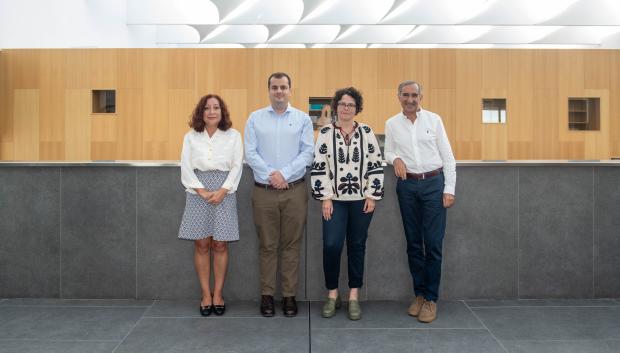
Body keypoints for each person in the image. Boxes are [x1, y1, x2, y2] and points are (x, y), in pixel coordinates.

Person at [384, 81, 456, 323]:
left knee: (433, 244)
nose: (410, 99)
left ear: (421, 96)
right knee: (414, 244)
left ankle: (431, 299)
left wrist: (449, 189)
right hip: (407, 186)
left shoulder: (434, 120)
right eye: (406, 95)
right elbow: (388, 151)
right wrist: (395, 159)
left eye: (414, 95)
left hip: (434, 185)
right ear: (398, 97)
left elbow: (448, 157)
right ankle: (419, 294)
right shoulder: (392, 123)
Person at [244, 72, 314, 317]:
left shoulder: (303, 119)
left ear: (290, 90)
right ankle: (266, 296)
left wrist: (283, 174)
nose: (279, 92)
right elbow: (250, 154)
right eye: (275, 87)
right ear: (269, 90)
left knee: (291, 245)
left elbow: (307, 153)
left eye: (283, 87)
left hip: (294, 191)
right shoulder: (255, 118)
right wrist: (272, 175)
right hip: (263, 192)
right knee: (267, 246)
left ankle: (289, 296)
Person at [311, 87, 384, 320]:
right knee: (331, 245)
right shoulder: (325, 133)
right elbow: (319, 164)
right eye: (342, 104)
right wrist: (325, 197)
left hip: (362, 200)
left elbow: (375, 163)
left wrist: (373, 195)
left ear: (357, 108)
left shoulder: (366, 131)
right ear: (336, 106)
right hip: (335, 201)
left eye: (351, 105)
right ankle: (332, 293)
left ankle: (353, 295)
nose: (346, 108)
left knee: (357, 245)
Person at [178, 94, 243, 317]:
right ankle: (205, 294)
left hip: (225, 190)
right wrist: (202, 191)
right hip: (198, 191)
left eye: (216, 107)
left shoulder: (234, 136)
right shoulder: (191, 137)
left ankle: (218, 294)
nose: (212, 111)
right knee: (202, 245)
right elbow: (185, 166)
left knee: (220, 245)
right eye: (207, 108)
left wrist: (223, 190)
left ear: (222, 111)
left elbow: (237, 166)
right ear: (201, 112)